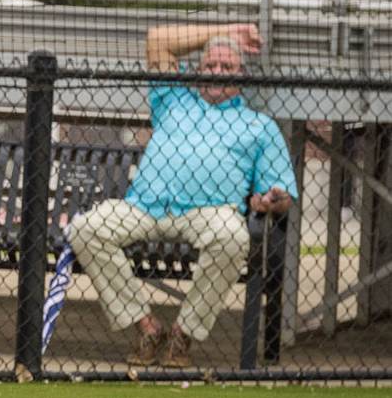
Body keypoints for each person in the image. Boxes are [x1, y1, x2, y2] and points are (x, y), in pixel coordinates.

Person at [68, 23, 296, 368]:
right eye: (210, 65)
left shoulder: (258, 125)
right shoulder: (172, 98)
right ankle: (146, 327)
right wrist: (226, 32)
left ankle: (182, 334)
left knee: (234, 237)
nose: (217, 73)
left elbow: (284, 196)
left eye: (226, 67)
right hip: (144, 206)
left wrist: (270, 199)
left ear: (241, 75)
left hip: (210, 213)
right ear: (197, 70)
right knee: (86, 228)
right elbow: (156, 40)